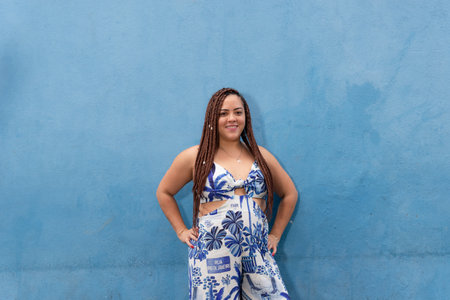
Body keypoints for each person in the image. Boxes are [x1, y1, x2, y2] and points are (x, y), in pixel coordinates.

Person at [156, 88, 298, 299]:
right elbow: (164, 192)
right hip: (214, 252)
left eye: (237, 112)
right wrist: (181, 231)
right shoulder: (194, 157)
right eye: (223, 113)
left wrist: (275, 234)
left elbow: (289, 194)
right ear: (213, 118)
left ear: (245, 117)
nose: (231, 118)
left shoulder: (262, 157)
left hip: (256, 251)